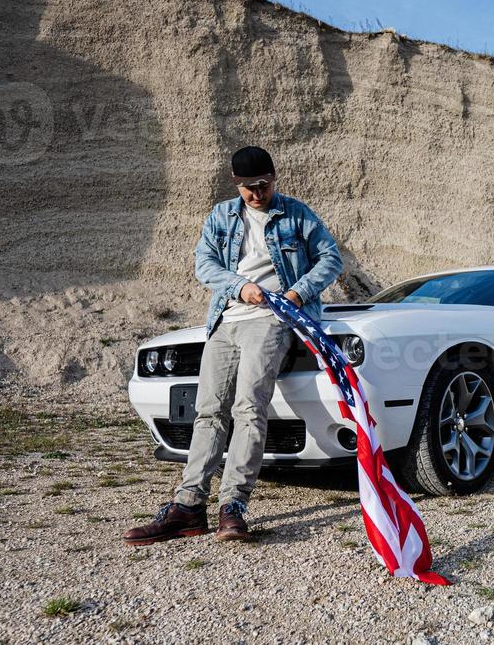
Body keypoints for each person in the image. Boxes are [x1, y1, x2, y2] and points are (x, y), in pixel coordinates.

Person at [124, 146, 343, 544]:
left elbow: (330, 258)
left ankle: (233, 506)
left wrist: (297, 292)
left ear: (274, 178)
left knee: (248, 407)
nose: (256, 194)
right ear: (235, 183)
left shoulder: (296, 214)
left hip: (273, 320)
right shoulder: (222, 215)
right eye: (247, 187)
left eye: (262, 185)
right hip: (226, 321)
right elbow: (204, 264)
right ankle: (188, 506)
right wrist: (240, 287)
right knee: (207, 412)